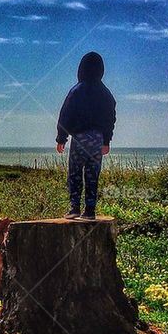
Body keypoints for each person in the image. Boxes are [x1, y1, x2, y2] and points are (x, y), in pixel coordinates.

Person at [55, 51, 116, 220]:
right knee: (92, 174)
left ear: (81, 69)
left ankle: (74, 207)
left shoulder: (76, 90)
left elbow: (65, 114)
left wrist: (61, 138)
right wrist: (106, 140)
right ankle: (89, 210)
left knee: (75, 172)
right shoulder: (106, 93)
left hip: (80, 138)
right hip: (97, 139)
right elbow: (110, 117)